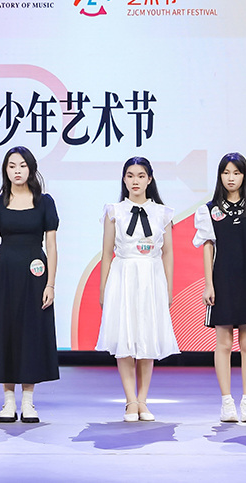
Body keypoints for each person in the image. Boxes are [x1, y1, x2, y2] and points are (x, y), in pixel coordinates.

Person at [0, 146, 59, 423]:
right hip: (3, 274)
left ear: (31, 169)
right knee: (5, 332)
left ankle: (28, 401)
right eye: (12, 166)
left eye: (22, 166)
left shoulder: (45, 202)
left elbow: (51, 246)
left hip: (35, 275)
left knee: (31, 332)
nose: (17, 171)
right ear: (5, 170)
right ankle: (8, 400)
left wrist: (50, 284)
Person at [193, 152, 246, 423]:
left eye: (236, 173)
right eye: (226, 172)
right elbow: (208, 247)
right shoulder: (209, 210)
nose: (231, 178)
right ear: (220, 175)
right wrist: (208, 284)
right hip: (222, 280)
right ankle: (227, 402)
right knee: (224, 344)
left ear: (244, 176)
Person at [97, 157, 179, 422]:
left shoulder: (162, 213)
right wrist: (103, 289)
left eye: (141, 176)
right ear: (124, 179)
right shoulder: (114, 212)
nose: (135, 181)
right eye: (130, 175)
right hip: (123, 277)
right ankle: (130, 401)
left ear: (149, 179)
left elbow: (168, 254)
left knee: (147, 337)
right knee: (125, 339)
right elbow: (106, 253)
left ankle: (143, 400)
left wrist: (168, 288)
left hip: (151, 278)